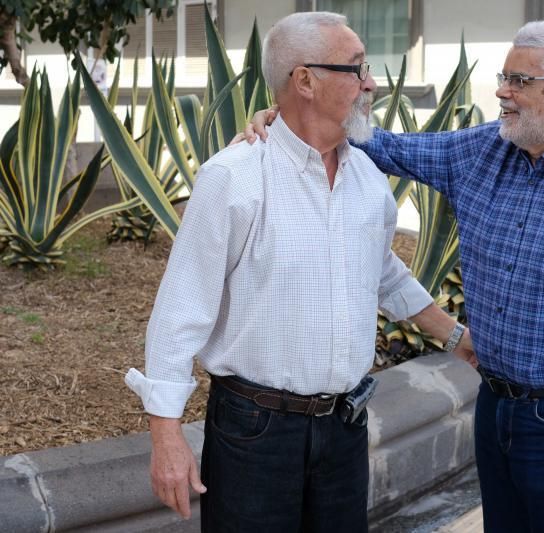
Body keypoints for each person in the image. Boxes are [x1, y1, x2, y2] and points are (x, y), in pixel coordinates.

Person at [241, 19, 544, 533]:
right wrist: (287, 118)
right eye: (504, 76)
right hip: (495, 410)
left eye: (520, 81)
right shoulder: (481, 151)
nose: (502, 91)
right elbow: (382, 146)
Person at [124, 11, 475, 533]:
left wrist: (456, 337)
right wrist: (166, 436)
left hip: (345, 429)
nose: (372, 83)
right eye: (356, 68)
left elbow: (381, 269)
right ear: (305, 80)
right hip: (254, 433)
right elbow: (182, 309)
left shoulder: (366, 175)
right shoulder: (234, 178)